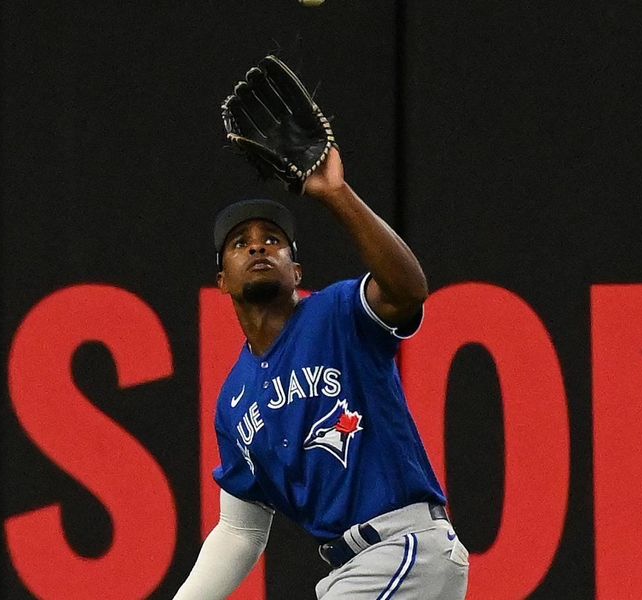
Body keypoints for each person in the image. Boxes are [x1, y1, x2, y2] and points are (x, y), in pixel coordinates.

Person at [174, 147, 469, 599]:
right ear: (223, 282)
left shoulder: (335, 314)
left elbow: (408, 289)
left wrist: (336, 193)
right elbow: (239, 533)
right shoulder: (234, 399)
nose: (256, 246)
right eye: (239, 243)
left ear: (296, 272)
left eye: (272, 240)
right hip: (353, 571)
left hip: (403, 550)